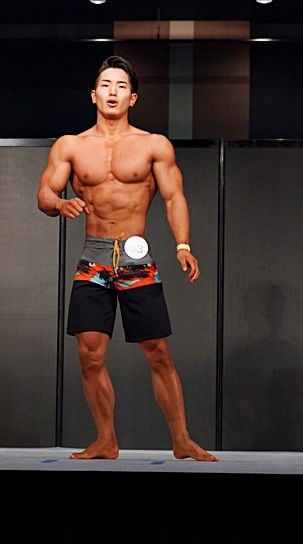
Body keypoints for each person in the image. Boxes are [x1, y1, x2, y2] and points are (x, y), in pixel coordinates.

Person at [37, 55, 218, 462]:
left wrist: (183, 245)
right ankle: (106, 440)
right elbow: (45, 193)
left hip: (136, 260)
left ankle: (181, 439)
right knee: (89, 355)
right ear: (93, 94)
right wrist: (59, 204)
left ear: (132, 97)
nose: (112, 92)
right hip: (94, 260)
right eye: (106, 85)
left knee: (159, 352)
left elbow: (173, 198)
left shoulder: (154, 145)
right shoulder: (70, 145)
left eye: (121, 86)